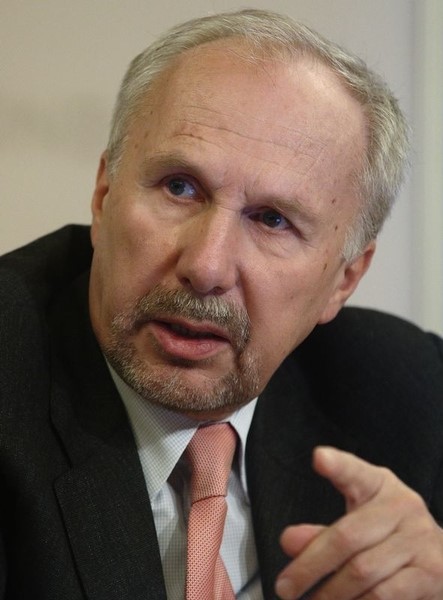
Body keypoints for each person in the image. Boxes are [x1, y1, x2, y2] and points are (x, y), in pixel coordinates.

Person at [0, 7, 442, 600]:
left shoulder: (408, 394)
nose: (206, 267)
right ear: (103, 197)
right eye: (180, 187)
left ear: (344, 279)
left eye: (272, 220)